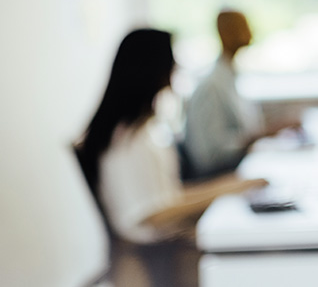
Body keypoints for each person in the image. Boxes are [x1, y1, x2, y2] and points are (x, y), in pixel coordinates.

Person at [74, 28, 267, 287]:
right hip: (157, 252)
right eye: (171, 58)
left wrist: (230, 185)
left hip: (160, 245)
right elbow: (151, 213)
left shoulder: (137, 131)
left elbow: (164, 197)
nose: (176, 65)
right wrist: (223, 190)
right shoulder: (131, 139)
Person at [182, 9, 294, 179]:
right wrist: (256, 136)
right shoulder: (212, 86)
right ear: (224, 33)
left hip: (236, 166)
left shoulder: (229, 77)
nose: (250, 32)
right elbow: (210, 152)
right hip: (220, 174)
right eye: (242, 26)